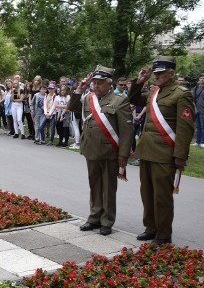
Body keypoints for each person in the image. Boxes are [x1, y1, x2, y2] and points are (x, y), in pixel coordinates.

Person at [128, 56, 195, 244]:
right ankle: (150, 228)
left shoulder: (181, 94)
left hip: (165, 152)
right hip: (146, 150)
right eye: (155, 74)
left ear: (171, 74)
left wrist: (180, 155)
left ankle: (164, 234)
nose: (155, 77)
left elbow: (185, 128)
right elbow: (133, 99)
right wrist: (139, 82)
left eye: (159, 74)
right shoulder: (154, 92)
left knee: (162, 195)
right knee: (147, 193)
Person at [67, 66, 134, 236]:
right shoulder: (88, 98)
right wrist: (79, 90)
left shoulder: (120, 100)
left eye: (100, 83)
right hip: (91, 149)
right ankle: (94, 216)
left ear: (109, 84)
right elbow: (71, 107)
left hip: (110, 151)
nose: (96, 86)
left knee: (109, 187)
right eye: (94, 83)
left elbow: (126, 131)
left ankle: (107, 220)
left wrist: (123, 154)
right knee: (94, 184)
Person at [192, 73, 204, 148]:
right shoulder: (196, 87)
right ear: (199, 79)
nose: (202, 79)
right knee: (198, 127)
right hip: (197, 110)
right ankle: (197, 141)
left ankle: (203, 142)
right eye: (201, 78)